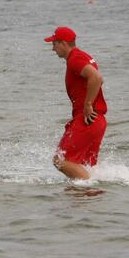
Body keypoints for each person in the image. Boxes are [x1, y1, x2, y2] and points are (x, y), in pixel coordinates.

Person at [45, 26, 107, 179]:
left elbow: (97, 78)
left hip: (88, 119)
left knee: (60, 160)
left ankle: (88, 187)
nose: (53, 49)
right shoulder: (82, 56)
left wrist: (87, 105)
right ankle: (89, 197)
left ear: (64, 43)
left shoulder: (75, 59)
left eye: (54, 44)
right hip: (96, 120)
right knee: (84, 167)